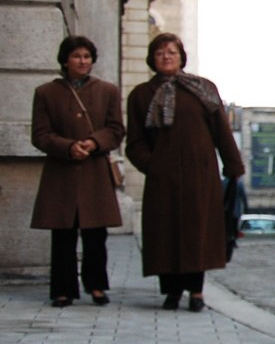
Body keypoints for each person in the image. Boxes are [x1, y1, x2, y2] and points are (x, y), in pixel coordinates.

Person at [125, 33, 246, 311]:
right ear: (152, 59)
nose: (166, 57)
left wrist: (233, 166)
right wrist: (152, 165)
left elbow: (221, 131)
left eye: (172, 52)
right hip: (162, 178)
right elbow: (135, 141)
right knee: (165, 234)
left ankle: (196, 291)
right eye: (160, 53)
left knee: (197, 233)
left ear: (181, 57)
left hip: (199, 175)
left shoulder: (202, 88)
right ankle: (171, 291)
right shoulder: (141, 95)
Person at [31, 35, 125, 307]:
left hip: (95, 171)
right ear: (65, 60)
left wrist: (95, 142)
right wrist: (68, 147)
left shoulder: (108, 91)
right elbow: (40, 135)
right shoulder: (46, 93)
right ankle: (62, 289)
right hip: (61, 173)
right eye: (76, 56)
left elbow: (116, 129)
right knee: (63, 235)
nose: (82, 61)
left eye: (87, 56)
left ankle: (96, 286)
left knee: (96, 234)